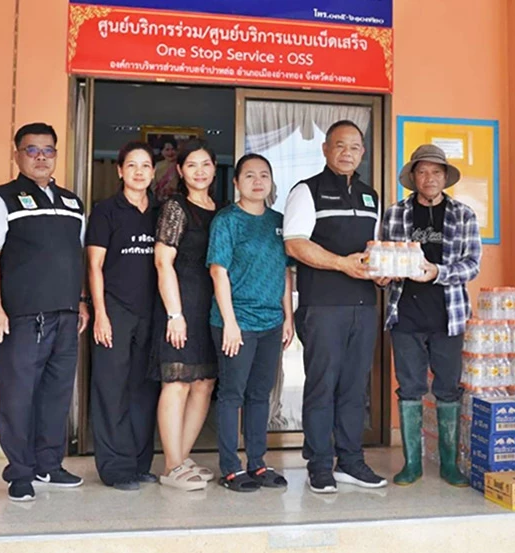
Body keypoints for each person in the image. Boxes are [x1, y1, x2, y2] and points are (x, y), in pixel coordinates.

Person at [0, 122, 89, 502]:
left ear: (56, 154)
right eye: (32, 150)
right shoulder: (0, 199)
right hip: (23, 317)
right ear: (17, 155)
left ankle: (48, 464)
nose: (41, 157)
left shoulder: (72, 203)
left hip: (67, 315)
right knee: (18, 396)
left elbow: (75, 256)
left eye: (48, 150)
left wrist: (82, 301)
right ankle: (20, 471)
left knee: (57, 394)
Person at [283, 120, 387, 493]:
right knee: (322, 386)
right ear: (325, 149)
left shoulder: (371, 196)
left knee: (355, 387)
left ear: (363, 152)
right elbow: (295, 243)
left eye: (355, 147)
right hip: (323, 306)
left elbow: (375, 248)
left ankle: (351, 462)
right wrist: (342, 264)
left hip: (364, 305)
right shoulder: (307, 191)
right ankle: (319, 465)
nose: (347, 153)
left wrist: (383, 272)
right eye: (340, 145)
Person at [382, 144, 481, 487]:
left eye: (436, 172)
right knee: (410, 388)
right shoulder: (395, 214)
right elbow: (385, 256)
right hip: (405, 315)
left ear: (445, 177)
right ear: (413, 177)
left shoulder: (463, 215)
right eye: (422, 172)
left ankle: (449, 465)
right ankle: (412, 464)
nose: (429, 178)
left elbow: (472, 265)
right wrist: (382, 273)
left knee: (448, 389)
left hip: (448, 316)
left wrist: (437, 272)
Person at [208, 154, 294, 492]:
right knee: (232, 394)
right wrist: (230, 322)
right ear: (236, 182)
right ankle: (231, 467)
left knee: (260, 394)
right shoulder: (227, 220)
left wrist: (287, 318)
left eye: (264, 175)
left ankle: (257, 463)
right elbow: (218, 272)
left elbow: (285, 272)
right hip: (237, 321)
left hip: (271, 322)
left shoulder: (278, 222)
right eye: (249, 175)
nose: (258, 182)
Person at [86, 141, 162, 491]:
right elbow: (94, 266)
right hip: (115, 310)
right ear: (120, 171)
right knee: (111, 388)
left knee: (144, 389)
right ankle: (115, 468)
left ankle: (139, 463)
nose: (139, 172)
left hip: (152, 312)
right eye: (131, 165)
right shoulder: (106, 211)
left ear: (154, 172)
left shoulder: (161, 211)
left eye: (145, 165)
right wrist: (100, 314)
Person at [151, 139, 220, 491]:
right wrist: (174, 314)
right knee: (177, 381)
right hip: (181, 301)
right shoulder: (176, 207)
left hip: (212, 304)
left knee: (204, 382)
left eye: (205, 164)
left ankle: (182, 457)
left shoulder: (220, 210)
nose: (199, 171)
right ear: (180, 170)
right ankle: (171, 465)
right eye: (192, 165)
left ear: (214, 168)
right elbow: (163, 262)